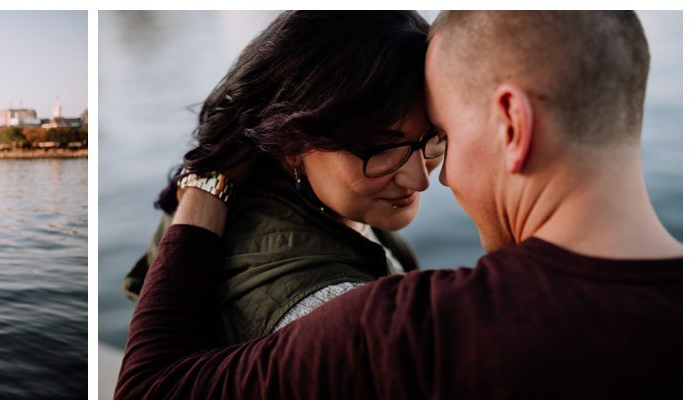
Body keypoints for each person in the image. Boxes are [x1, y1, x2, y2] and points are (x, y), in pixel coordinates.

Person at [116, 11, 681, 399]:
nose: (437, 177)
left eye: (442, 135)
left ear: (512, 124)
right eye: (385, 148)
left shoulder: (407, 333)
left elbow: (149, 390)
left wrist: (204, 187)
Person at [125, 11, 445, 345]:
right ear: (291, 144)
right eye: (381, 148)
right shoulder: (323, 311)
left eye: (434, 137)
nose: (420, 179)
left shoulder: (328, 201)